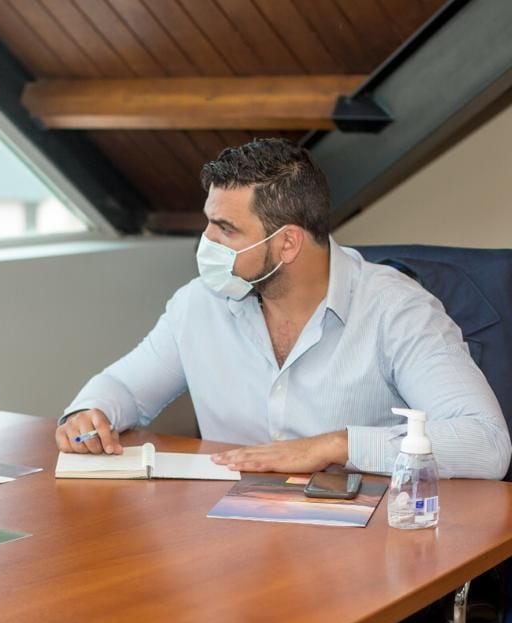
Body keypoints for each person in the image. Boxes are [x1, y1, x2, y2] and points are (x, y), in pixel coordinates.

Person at [56, 138, 510, 480]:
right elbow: (125, 388)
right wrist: (91, 411)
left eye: (226, 229)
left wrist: (336, 446)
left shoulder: (398, 310)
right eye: (208, 223)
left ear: (288, 242)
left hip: (361, 550)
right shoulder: (200, 302)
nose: (206, 242)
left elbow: (486, 443)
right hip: (229, 543)